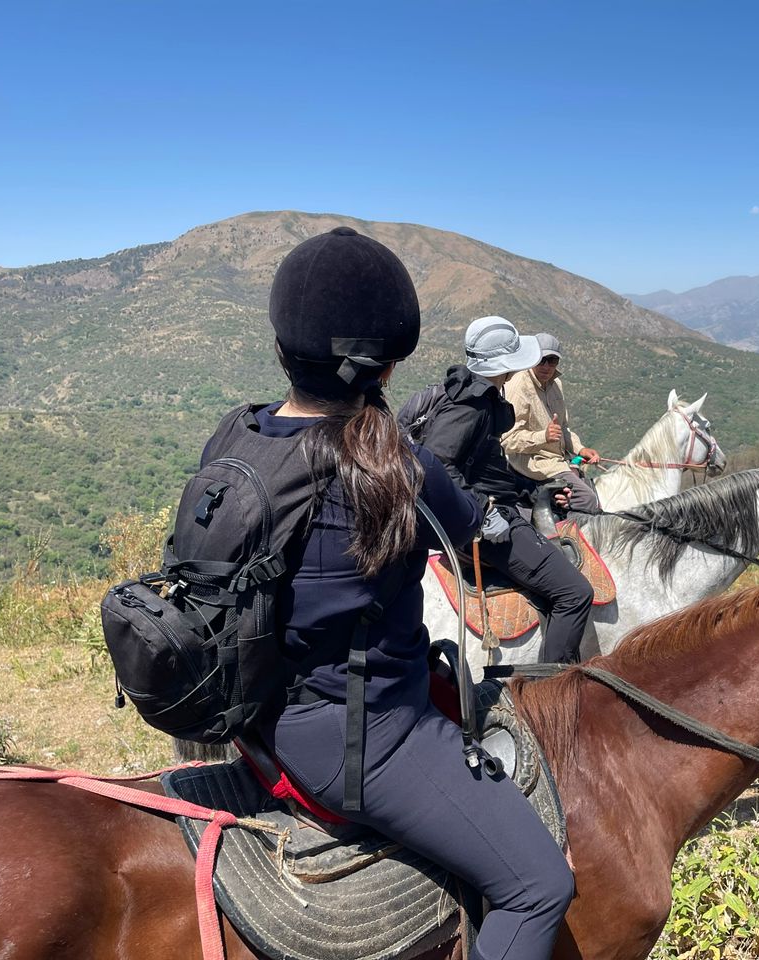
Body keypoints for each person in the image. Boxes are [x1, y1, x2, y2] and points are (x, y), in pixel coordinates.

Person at [207, 227, 573, 960]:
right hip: (365, 741)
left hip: (254, 708)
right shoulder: (391, 461)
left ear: (283, 348)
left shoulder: (235, 434)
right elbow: (476, 531)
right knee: (539, 887)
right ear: (391, 362)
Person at [422, 317, 596, 663]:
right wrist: (482, 512)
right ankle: (551, 690)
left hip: (489, 511)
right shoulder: (473, 406)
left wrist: (536, 491)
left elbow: (491, 470)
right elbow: (436, 462)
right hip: (486, 526)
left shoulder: (471, 392)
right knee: (575, 592)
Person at [502, 333, 602, 514]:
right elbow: (507, 440)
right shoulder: (519, 385)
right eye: (542, 360)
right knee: (589, 501)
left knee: (594, 488)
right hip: (536, 465)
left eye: (552, 360)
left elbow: (563, 429)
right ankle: (568, 540)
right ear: (532, 358)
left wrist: (581, 450)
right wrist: (543, 437)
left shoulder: (556, 384)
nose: (547, 366)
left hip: (557, 461)